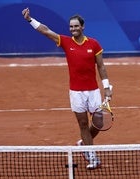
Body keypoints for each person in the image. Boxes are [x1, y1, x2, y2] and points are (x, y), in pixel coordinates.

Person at [22, 8, 113, 170]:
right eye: (71, 27)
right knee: (83, 124)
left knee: (98, 122)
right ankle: (92, 156)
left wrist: (107, 87)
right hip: (76, 92)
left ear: (82, 27)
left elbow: (101, 66)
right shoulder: (65, 41)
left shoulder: (94, 43)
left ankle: (82, 143)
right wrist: (30, 19)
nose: (73, 29)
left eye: (76, 26)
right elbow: (46, 31)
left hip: (93, 91)